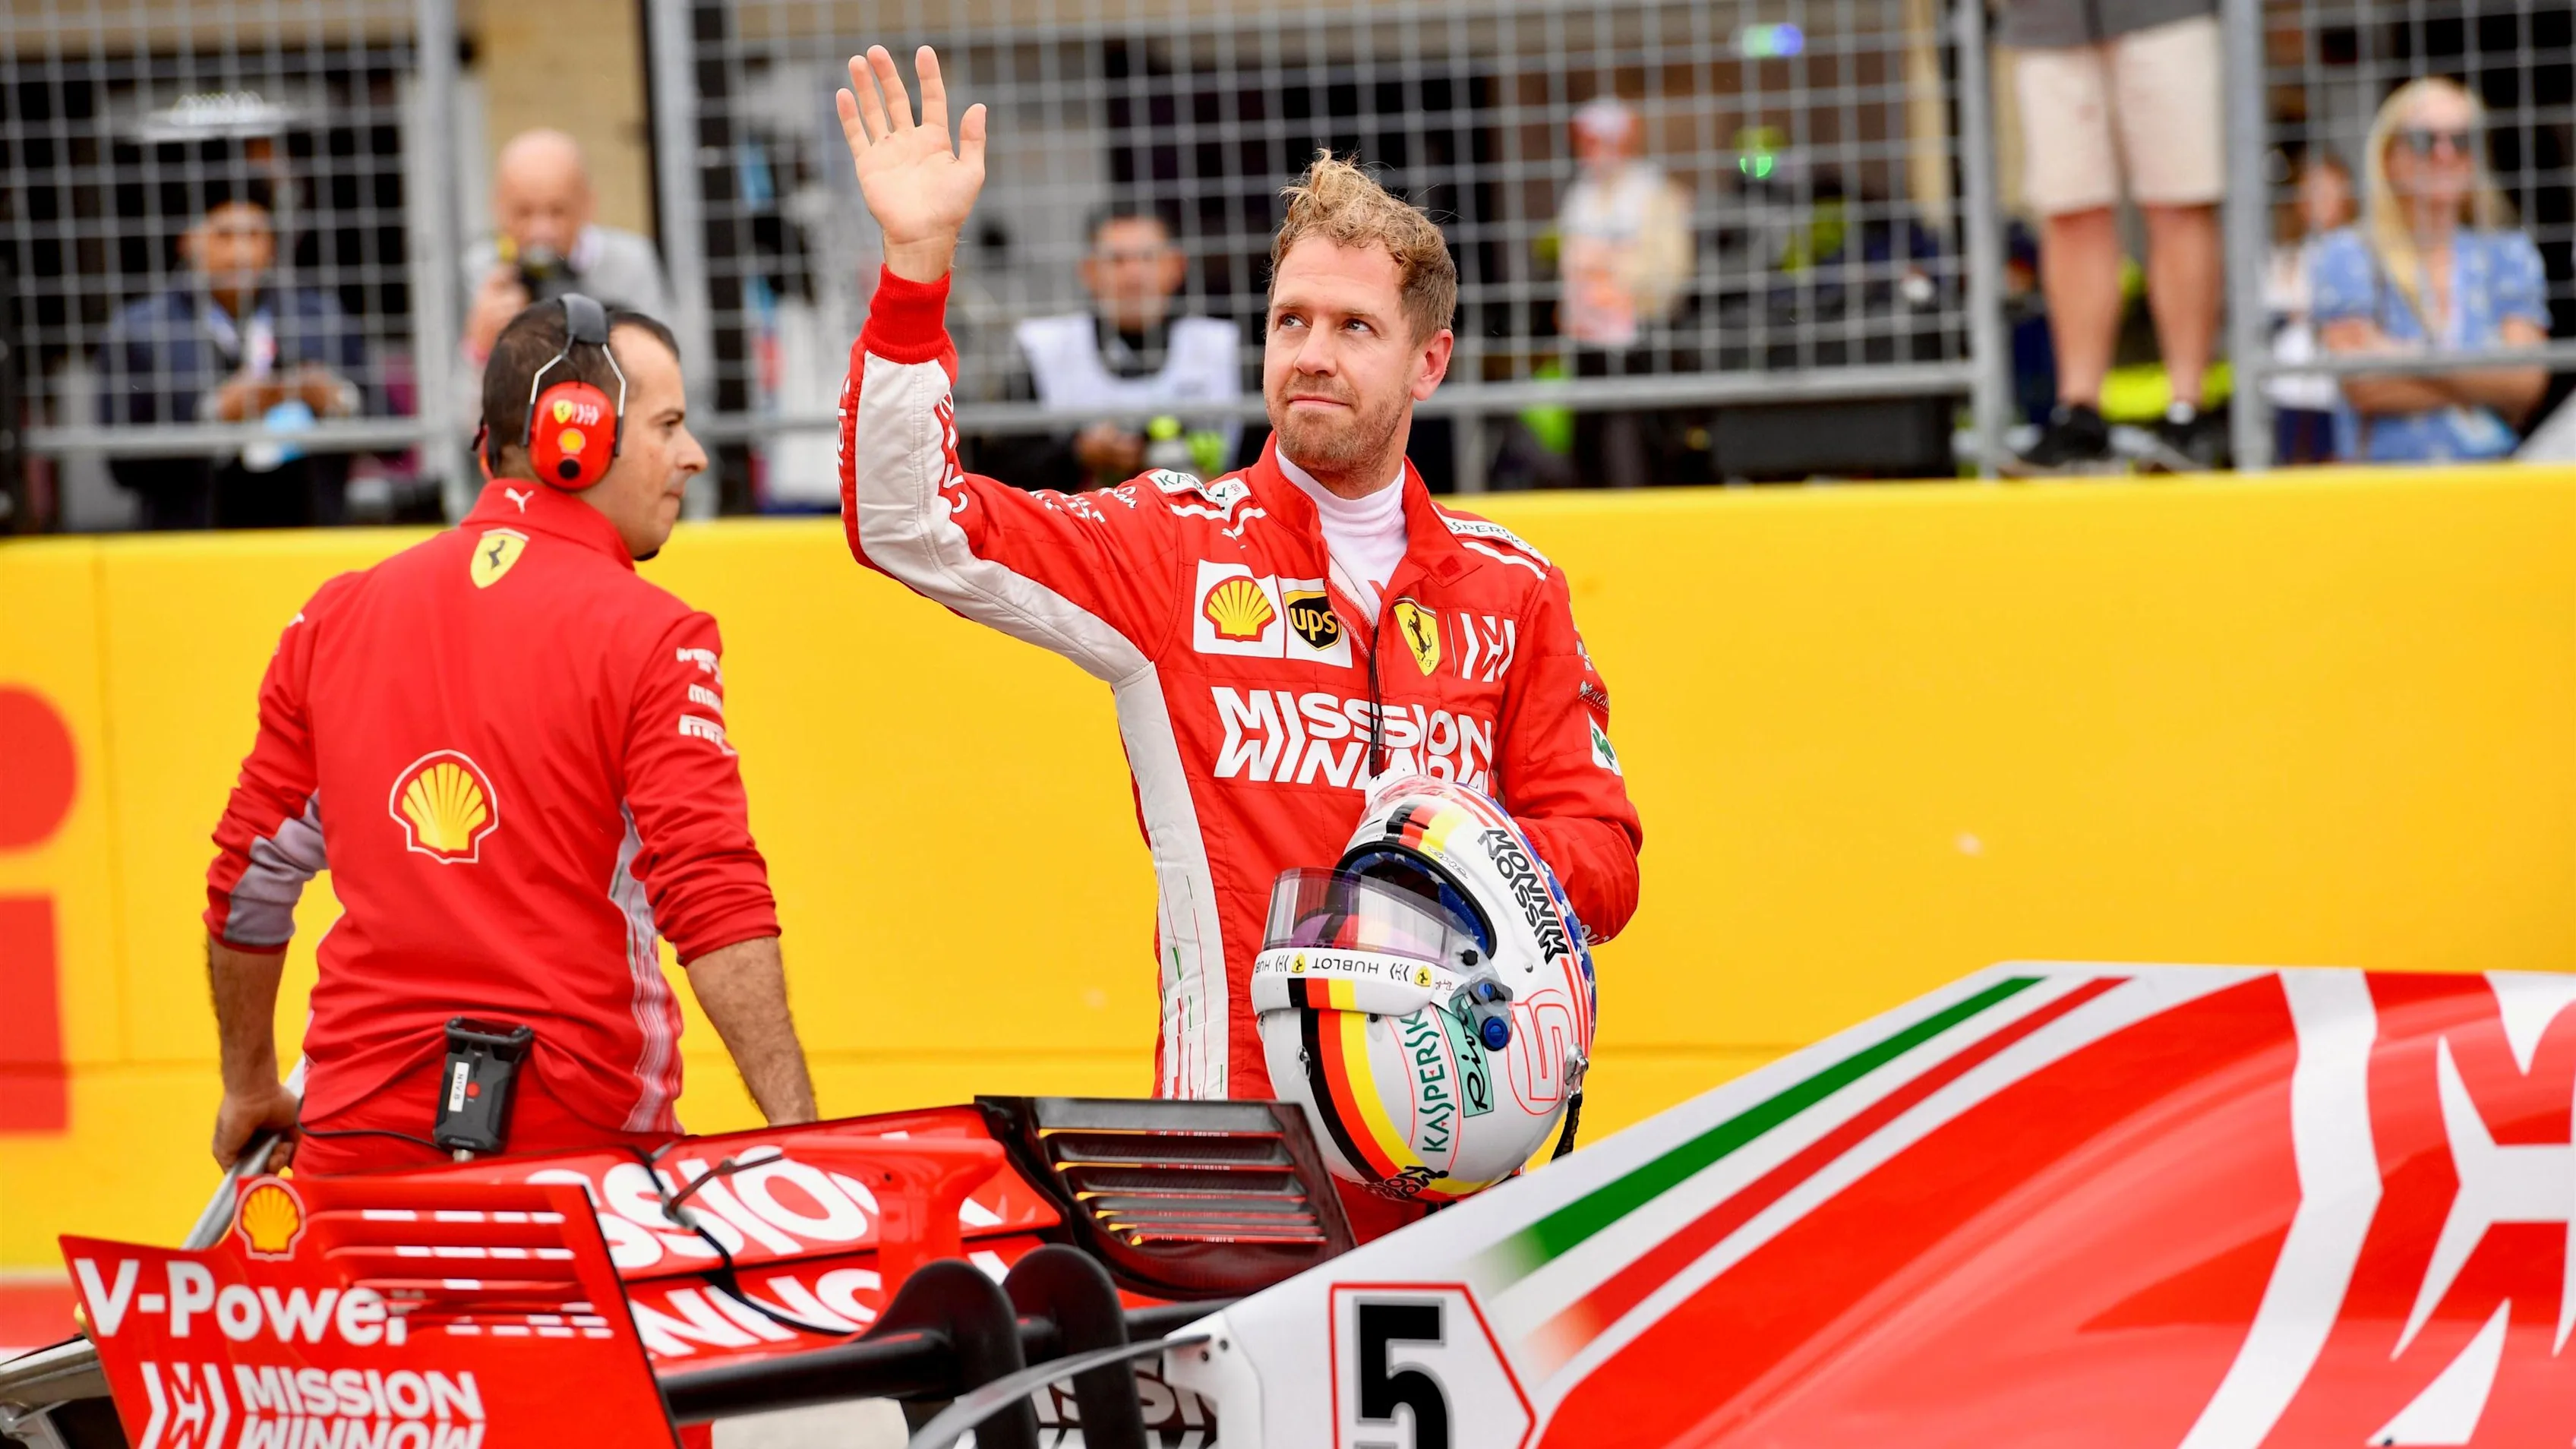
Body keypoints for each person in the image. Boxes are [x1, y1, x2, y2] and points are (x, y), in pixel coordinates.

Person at [832, 46, 1642, 1239]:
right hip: (1234, 1175)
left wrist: (1453, 863)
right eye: (1290, 320)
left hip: (1464, 1181)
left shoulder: (1513, 591)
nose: (1312, 351)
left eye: (1355, 327)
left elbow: (1606, 861)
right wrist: (915, 272)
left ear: (1428, 361)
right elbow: (912, 522)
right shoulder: (1173, 544)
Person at [206, 295, 816, 1178]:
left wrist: (250, 1086)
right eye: (668, 425)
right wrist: (801, 1141)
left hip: (355, 1147)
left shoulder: (336, 616)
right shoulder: (655, 635)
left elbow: (248, 878)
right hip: (577, 1156)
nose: (694, 455)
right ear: (577, 435)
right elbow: (712, 898)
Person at [2003, 0, 2228, 472]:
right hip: (2047, 19)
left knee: (2179, 198)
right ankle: (2079, 412)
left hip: (2164, 14)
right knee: (2069, 208)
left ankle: (2188, 410)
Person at [95, 191, 371, 529]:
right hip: (193, 537)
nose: (240, 253)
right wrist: (213, 416)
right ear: (189, 242)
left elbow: (393, 432)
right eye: (224, 235)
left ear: (272, 245)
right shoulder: (139, 330)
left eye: (254, 235)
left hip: (308, 530)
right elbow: (121, 466)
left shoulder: (321, 316)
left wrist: (336, 400)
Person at [2309, 77, 2550, 463]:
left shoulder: (2508, 252)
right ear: (2388, 157)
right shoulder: (2348, 253)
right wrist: (2486, 380)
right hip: (2387, 485)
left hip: (2492, 482)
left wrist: (2401, 356)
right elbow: (2365, 386)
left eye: (2462, 140)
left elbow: (2526, 384)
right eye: (2425, 140)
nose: (2445, 154)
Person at [453, 131, 676, 512]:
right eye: (524, 213)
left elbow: (667, 390)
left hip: (614, 474)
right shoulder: (480, 273)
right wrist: (480, 349)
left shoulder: (630, 265)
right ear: (498, 209)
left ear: (589, 205)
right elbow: (462, 426)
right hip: (520, 487)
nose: (542, 231)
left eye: (558, 211)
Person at [974, 207, 1244, 492]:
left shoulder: (1223, 347)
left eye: (1148, 258)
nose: (1134, 275)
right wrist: (1077, 453)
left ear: (1176, 266)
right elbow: (1000, 470)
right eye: (1116, 260)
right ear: (1088, 271)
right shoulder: (1044, 349)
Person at [1556, 99, 1694, 488]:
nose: (1589, 152)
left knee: (1644, 435)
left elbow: (1672, 270)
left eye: (1596, 141)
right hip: (1587, 337)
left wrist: (1620, 280)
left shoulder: (1655, 193)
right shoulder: (1579, 196)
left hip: (1642, 336)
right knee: (1590, 433)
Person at [2264, 153, 2358, 465]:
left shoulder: (2359, 249)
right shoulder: (2286, 255)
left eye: (2329, 190)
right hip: (2289, 384)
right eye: (2311, 191)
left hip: (2337, 386)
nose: (2320, 201)